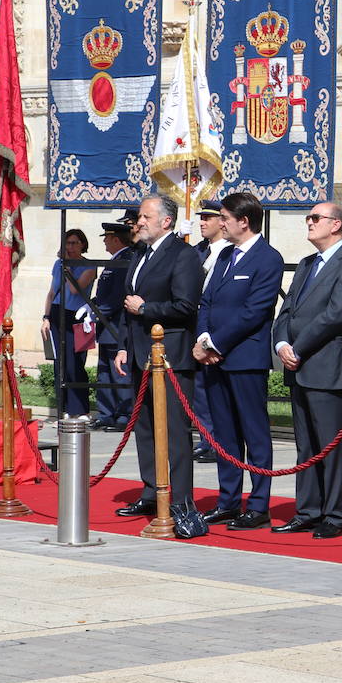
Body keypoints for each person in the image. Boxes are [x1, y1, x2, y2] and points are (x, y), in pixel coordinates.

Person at [112, 195, 206, 536]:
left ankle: (180, 499)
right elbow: (126, 305)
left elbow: (185, 306)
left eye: (145, 216)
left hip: (170, 357)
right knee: (146, 427)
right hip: (140, 354)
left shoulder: (183, 256)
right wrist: (123, 346)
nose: (139, 222)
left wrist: (146, 309)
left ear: (166, 221)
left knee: (176, 432)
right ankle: (152, 490)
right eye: (139, 216)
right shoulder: (139, 254)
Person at [272, 202, 342, 538]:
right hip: (298, 368)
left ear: (336, 224)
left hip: (326, 367)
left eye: (316, 218)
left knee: (330, 445)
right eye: (308, 218)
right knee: (306, 446)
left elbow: (337, 315)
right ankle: (307, 510)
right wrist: (282, 344)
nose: (309, 223)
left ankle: (334, 515)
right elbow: (287, 311)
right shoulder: (307, 264)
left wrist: (298, 347)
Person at [193, 192, 284, 528]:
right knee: (224, 434)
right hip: (214, 359)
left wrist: (215, 342)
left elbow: (255, 311)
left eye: (226, 217)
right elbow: (206, 300)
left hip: (245, 359)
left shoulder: (267, 258)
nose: (222, 223)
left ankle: (258, 505)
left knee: (254, 433)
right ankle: (228, 500)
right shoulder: (226, 255)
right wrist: (203, 338)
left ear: (243, 221)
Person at [41, 228, 97, 419]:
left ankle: (80, 408)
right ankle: (63, 407)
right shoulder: (58, 264)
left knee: (76, 363)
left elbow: (75, 289)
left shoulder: (89, 266)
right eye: (67, 243)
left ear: (82, 244)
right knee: (61, 363)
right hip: (58, 312)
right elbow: (51, 292)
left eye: (74, 243)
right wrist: (45, 318)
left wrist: (69, 269)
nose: (70, 247)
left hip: (79, 316)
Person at [191, 199, 228, 461]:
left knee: (216, 389)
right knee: (199, 390)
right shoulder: (197, 250)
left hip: (216, 328)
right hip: (196, 325)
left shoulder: (227, 251)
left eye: (207, 218)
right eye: (201, 218)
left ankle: (219, 441)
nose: (202, 222)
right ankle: (206, 438)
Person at [91, 221, 133, 432]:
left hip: (115, 324)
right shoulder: (115, 260)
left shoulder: (127, 259)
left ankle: (124, 414)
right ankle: (106, 413)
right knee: (105, 372)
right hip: (106, 326)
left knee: (119, 372)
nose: (105, 242)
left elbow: (118, 295)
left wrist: (98, 312)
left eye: (107, 238)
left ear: (116, 239)